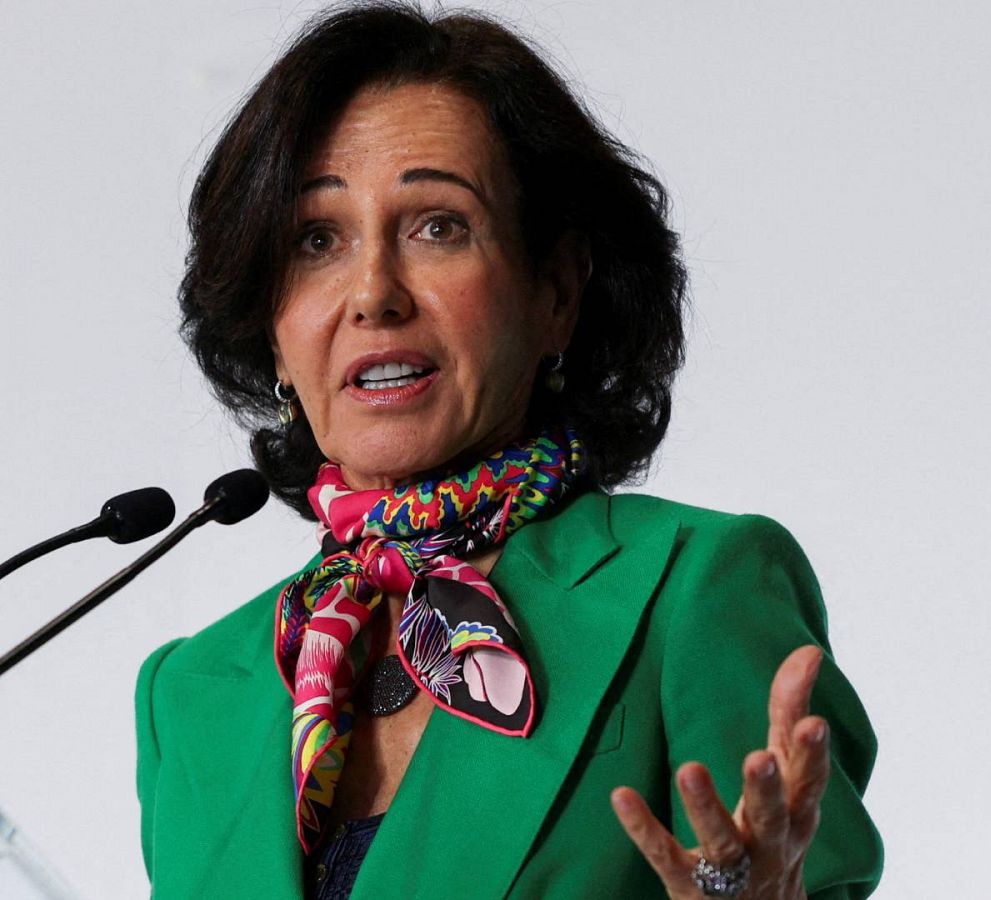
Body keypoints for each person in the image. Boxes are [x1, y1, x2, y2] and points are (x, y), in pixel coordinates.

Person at [131, 3, 883, 898]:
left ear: (557, 292)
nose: (373, 293)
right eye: (317, 240)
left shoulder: (693, 592)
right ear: (271, 326)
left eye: (438, 225)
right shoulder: (191, 696)